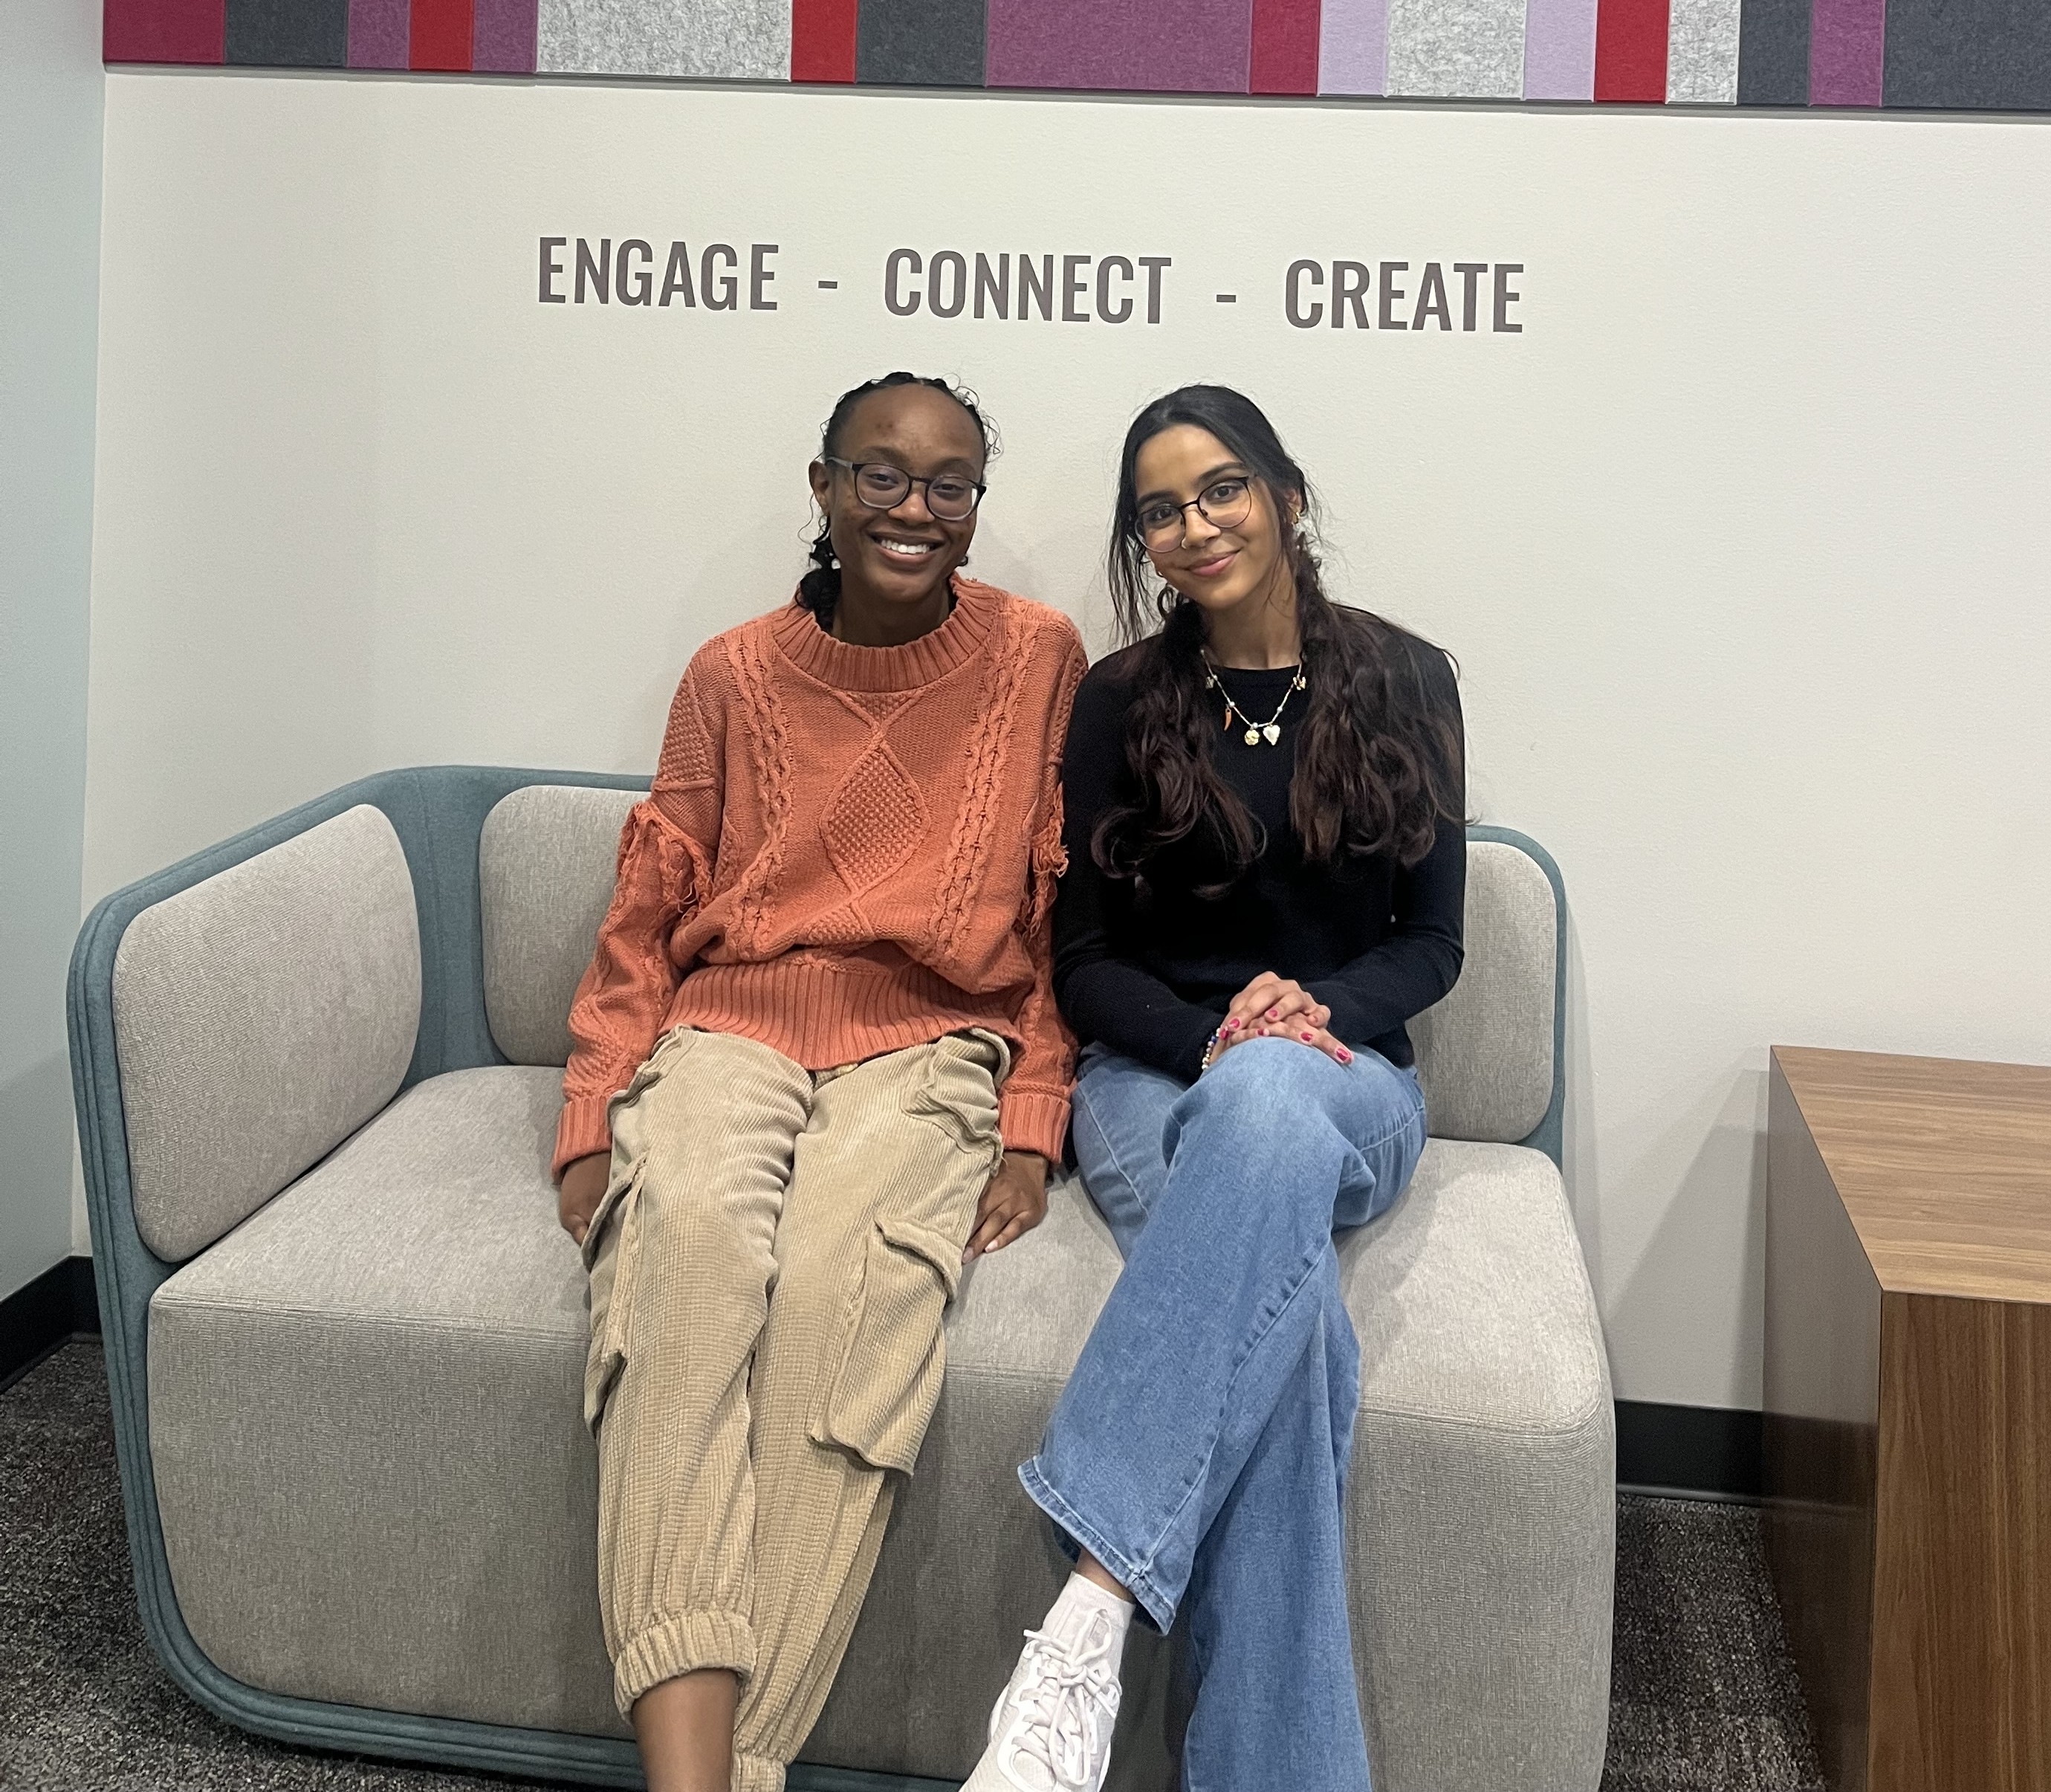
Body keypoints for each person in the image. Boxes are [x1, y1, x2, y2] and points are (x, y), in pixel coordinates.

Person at [555, 372, 1086, 1792]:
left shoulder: (1042, 657)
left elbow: (1058, 914)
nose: (915, 507)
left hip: (930, 1041)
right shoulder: (731, 674)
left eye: (949, 483)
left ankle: (731, 1773)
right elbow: (651, 901)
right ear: (823, 485)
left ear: (977, 507)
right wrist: (590, 1116)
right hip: (730, 1022)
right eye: (883, 473)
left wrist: (1032, 1120)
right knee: (690, 1257)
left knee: (851, 1313)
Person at [963, 385, 1468, 1792]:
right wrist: (1214, 1043)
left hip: (1350, 1083)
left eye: (1222, 490)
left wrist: (1307, 1019)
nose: (1196, 526)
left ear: (1288, 497)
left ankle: (1086, 1614)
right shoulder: (1122, 700)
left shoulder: (1412, 681)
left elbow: (1433, 943)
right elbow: (1084, 958)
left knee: (1271, 1106)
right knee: (1294, 1341)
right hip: (1151, 1083)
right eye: (1162, 510)